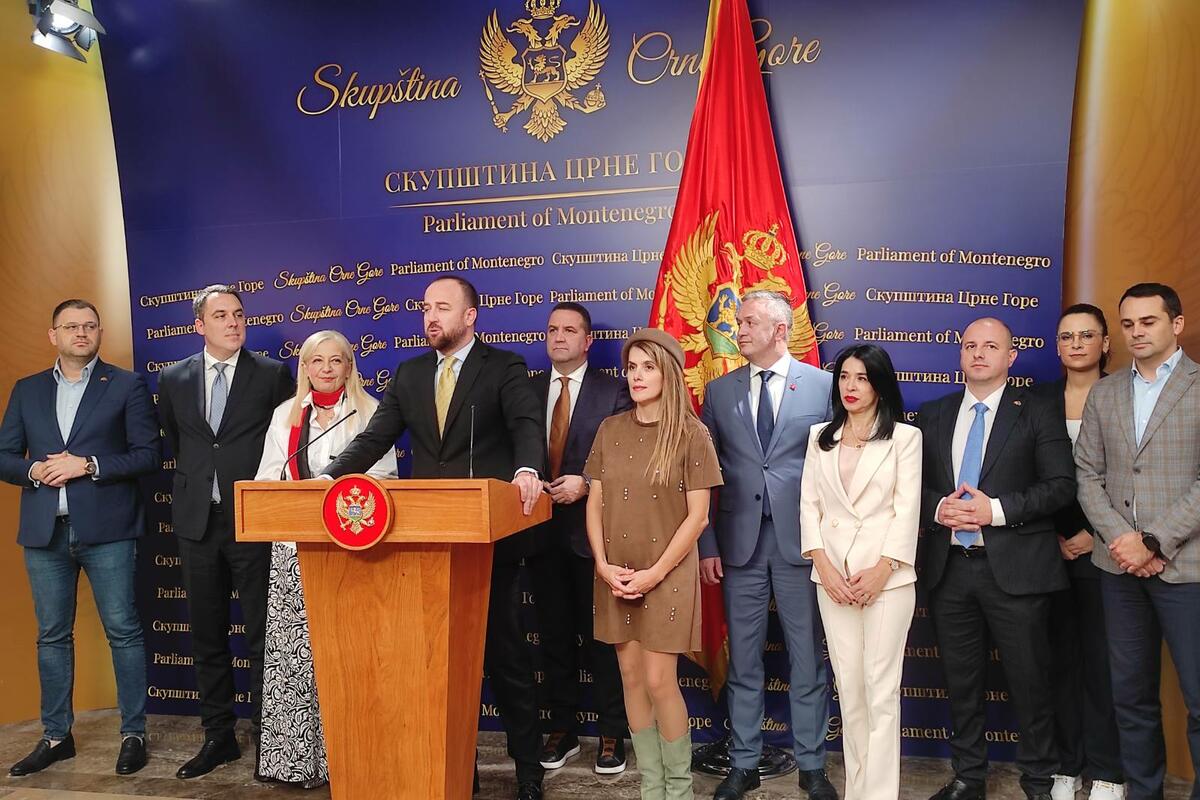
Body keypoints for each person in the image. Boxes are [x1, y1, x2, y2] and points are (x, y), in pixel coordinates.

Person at [321, 275, 546, 800]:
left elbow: (525, 425)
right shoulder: (411, 373)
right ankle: (454, 773)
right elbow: (376, 438)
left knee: (506, 660)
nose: (431, 317)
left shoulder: (504, 366)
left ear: (470, 316)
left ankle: (528, 773)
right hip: (427, 547)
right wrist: (329, 477)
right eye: (426, 308)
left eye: (442, 307)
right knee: (438, 671)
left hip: (488, 544)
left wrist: (528, 468)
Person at [0, 299, 160, 777]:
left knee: (123, 632)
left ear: (99, 333)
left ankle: (133, 734)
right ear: (54, 335)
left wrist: (88, 465)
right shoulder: (27, 389)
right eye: (71, 326)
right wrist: (33, 470)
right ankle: (56, 736)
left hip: (109, 531)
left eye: (90, 325)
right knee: (51, 636)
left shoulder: (127, 384)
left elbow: (148, 454)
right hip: (44, 532)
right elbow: (4, 456)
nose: (81, 333)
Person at [917, 317, 1075, 800]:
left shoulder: (1039, 410)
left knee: (1030, 683)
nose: (979, 353)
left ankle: (1039, 781)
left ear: (1011, 356)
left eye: (990, 346)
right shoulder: (934, 413)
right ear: (960, 355)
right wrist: (938, 508)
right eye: (970, 345)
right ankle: (968, 777)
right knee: (961, 682)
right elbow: (908, 487)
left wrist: (996, 511)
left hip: (1017, 570)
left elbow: (1060, 486)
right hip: (949, 571)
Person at [697, 290, 836, 800]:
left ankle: (812, 767)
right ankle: (744, 763)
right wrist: (706, 543)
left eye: (750, 322)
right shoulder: (719, 392)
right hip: (739, 546)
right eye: (739, 323)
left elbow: (839, 468)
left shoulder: (823, 386)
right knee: (745, 661)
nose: (739, 330)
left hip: (804, 545)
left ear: (780, 329)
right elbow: (702, 476)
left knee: (807, 659)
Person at [156, 284, 295, 780]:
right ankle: (218, 736)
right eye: (221, 316)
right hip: (197, 521)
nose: (233, 322)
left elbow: (285, 441)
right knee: (207, 632)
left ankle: (269, 738)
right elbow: (179, 440)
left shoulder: (273, 374)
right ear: (200, 325)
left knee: (262, 633)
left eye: (238, 314)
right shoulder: (173, 377)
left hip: (252, 519)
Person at [252, 330, 398, 788]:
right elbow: (267, 478)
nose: (327, 369)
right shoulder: (285, 415)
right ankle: (297, 762)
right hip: (296, 549)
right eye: (318, 361)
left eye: (337, 360)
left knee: (352, 654)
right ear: (305, 368)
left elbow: (385, 476)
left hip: (356, 549)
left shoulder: (371, 412)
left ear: (350, 366)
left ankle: (357, 761)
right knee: (298, 657)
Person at [584, 327, 722, 800]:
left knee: (661, 680)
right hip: (617, 573)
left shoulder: (691, 433)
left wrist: (654, 574)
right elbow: (595, 502)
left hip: (667, 573)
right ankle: (652, 787)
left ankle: (678, 791)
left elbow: (698, 517)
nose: (637, 376)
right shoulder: (609, 429)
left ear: (669, 372)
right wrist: (603, 565)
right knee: (630, 676)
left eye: (648, 366)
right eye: (631, 367)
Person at [1076, 283, 1200, 800]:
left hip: (1187, 568)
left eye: (1148, 322)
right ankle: (1143, 793)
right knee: (1131, 697)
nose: (1136, 332)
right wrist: (1123, 541)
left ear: (1176, 324)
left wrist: (1153, 541)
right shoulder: (1105, 393)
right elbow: (1087, 474)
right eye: (1127, 324)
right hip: (1119, 568)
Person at [799, 344, 921, 800]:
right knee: (849, 692)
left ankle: (880, 794)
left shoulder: (905, 438)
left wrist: (882, 569)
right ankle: (858, 791)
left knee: (880, 692)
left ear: (880, 385)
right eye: (845, 377)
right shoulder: (820, 437)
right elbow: (809, 506)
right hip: (832, 580)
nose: (851, 386)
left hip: (887, 581)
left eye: (862, 378)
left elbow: (907, 510)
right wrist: (824, 566)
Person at [527, 302, 632, 775]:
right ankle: (562, 729)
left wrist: (587, 484)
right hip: (538, 533)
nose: (559, 337)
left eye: (570, 330)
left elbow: (628, 457)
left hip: (596, 537)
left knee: (604, 639)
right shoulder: (528, 390)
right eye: (552, 329)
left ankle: (612, 733)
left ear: (588, 341)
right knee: (553, 636)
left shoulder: (614, 391)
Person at [1038, 305, 1124, 800]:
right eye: (1066, 336)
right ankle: (1066, 767)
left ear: (1105, 343)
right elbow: (1026, 474)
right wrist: (1052, 535)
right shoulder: (1038, 401)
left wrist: (1096, 533)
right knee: (1059, 664)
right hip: (1049, 552)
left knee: (1104, 665)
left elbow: (1134, 477)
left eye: (1086, 335)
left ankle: (1109, 772)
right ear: (1056, 345)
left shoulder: (1124, 395)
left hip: (1108, 550)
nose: (1075, 344)